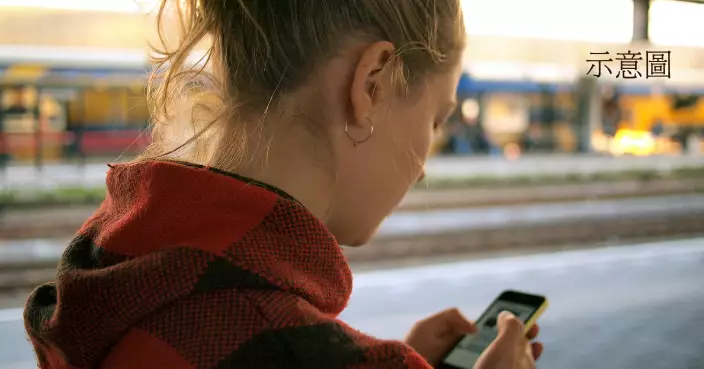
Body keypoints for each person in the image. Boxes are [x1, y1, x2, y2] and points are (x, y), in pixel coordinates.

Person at [23, 1, 543, 368]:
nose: (425, 164)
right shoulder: (279, 336)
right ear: (373, 84)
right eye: (435, 119)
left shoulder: (114, 277)